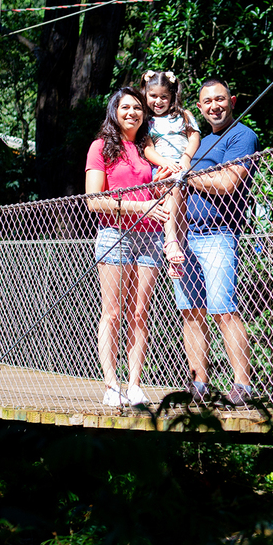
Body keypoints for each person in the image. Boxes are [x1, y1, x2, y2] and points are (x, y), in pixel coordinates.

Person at [84, 86, 171, 407]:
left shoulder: (146, 148)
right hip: (114, 234)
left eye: (137, 107)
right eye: (125, 108)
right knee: (113, 312)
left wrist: (160, 186)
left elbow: (155, 192)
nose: (132, 112)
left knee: (140, 313)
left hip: (149, 237)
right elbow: (94, 201)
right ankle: (111, 385)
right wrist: (140, 208)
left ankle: (134, 385)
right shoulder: (100, 147)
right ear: (114, 112)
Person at [175, 77, 256, 405]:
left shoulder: (242, 136)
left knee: (223, 309)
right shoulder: (199, 143)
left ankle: (243, 385)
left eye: (220, 99)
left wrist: (189, 177)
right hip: (185, 237)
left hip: (219, 235)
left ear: (232, 100)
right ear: (200, 107)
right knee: (190, 311)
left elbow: (228, 183)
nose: (215, 106)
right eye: (208, 102)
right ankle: (199, 384)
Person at [140, 70, 200, 279]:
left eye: (164, 96)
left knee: (181, 208)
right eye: (153, 96)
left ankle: (177, 251)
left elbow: (194, 138)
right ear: (146, 94)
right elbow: (148, 149)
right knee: (173, 192)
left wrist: (185, 158)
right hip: (163, 168)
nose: (159, 101)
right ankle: (171, 241)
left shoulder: (184, 115)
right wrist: (166, 163)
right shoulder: (147, 122)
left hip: (183, 166)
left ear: (172, 96)